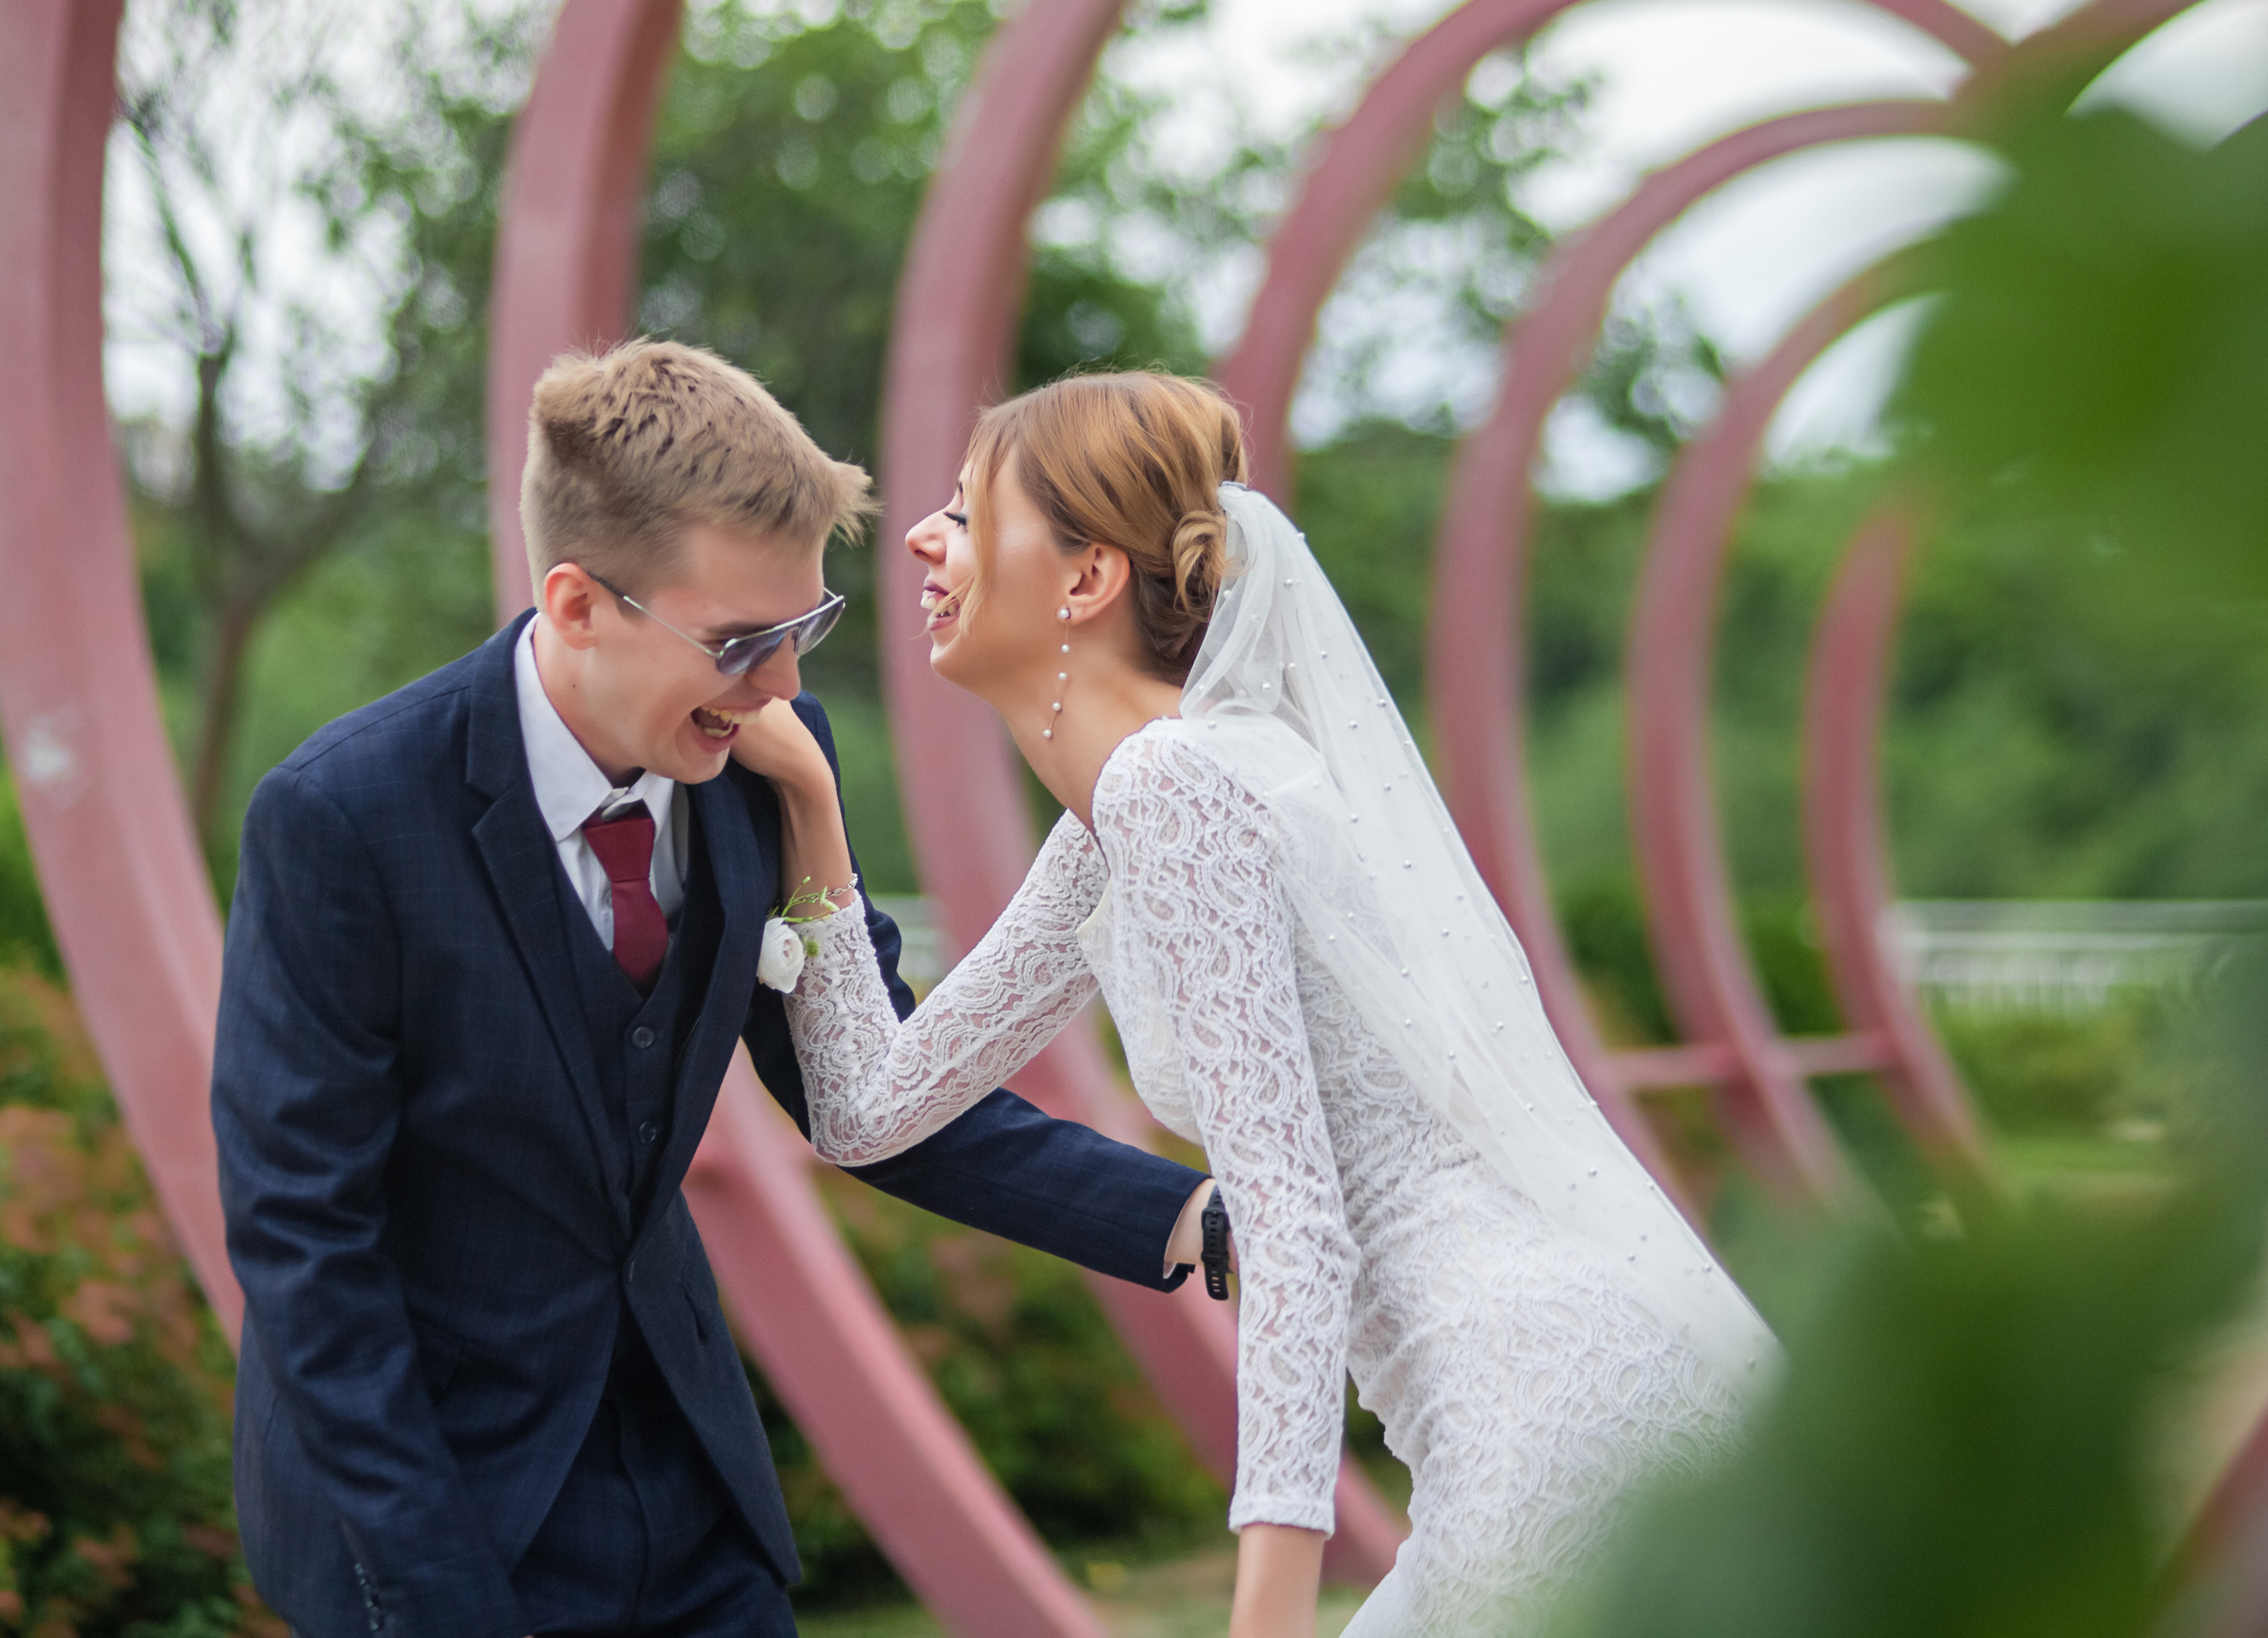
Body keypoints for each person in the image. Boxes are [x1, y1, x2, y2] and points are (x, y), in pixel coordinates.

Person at [727, 370, 1779, 1637]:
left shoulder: (1178, 785)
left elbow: (1290, 1224)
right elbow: (868, 1108)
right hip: (1543, 1394)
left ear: (1085, 581)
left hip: (1544, 1401)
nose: (917, 537)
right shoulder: (1122, 821)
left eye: (966, 510)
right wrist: (812, 809)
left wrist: (1266, 1613)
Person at [210, 341, 1218, 1638]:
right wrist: (444, 1602)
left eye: (806, 628)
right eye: (744, 641)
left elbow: (881, 1096)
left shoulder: (762, 760)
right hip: (433, 1526)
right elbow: (308, 1255)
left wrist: (1197, 1216)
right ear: (577, 604)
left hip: (695, 1508)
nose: (786, 686)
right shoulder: (339, 819)